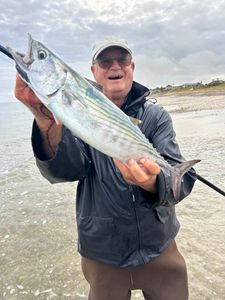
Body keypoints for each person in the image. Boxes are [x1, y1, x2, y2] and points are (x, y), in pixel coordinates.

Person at [14, 37, 197, 300]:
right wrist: (46, 124)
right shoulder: (69, 114)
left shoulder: (156, 117)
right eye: (105, 61)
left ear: (132, 66)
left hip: (160, 246)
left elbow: (179, 184)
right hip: (102, 251)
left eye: (122, 60)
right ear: (93, 71)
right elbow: (64, 171)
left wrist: (151, 182)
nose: (115, 66)